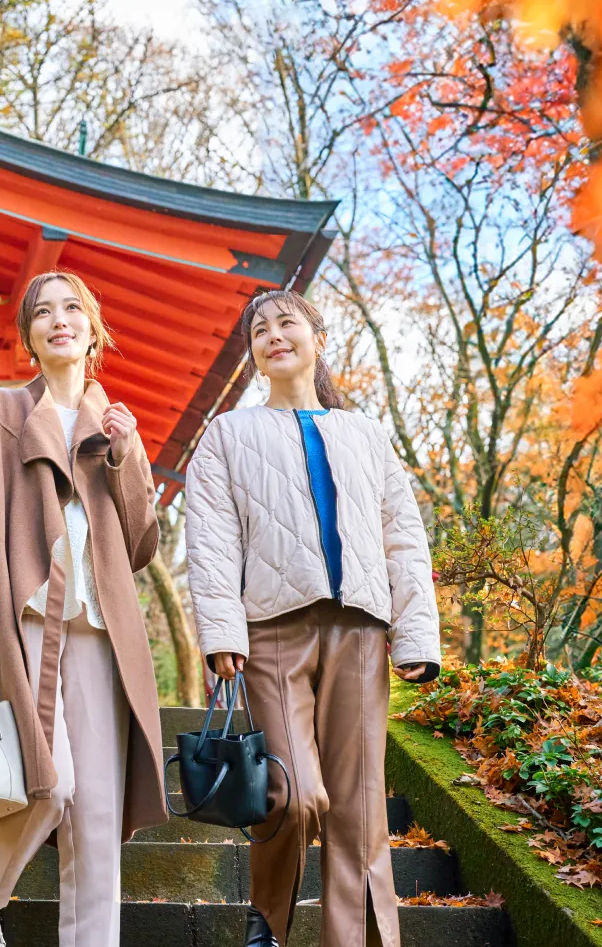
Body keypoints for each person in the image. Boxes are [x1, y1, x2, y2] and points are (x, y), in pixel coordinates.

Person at [184, 289, 442, 947]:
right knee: (293, 793)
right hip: (271, 631)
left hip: (361, 631)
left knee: (361, 811)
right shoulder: (228, 434)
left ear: (317, 338)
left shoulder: (367, 434)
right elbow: (211, 541)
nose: (274, 335)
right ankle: (268, 920)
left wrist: (415, 635)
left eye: (286, 323)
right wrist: (222, 633)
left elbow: (403, 539)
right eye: (260, 330)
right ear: (253, 353)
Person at [0, 270, 167, 947]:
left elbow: (140, 546)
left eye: (73, 309)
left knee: (97, 812)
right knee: (49, 784)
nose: (59, 320)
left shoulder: (113, 427)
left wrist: (126, 457)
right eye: (43, 313)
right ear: (29, 337)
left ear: (93, 332)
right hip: (25, 619)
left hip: (99, 630)